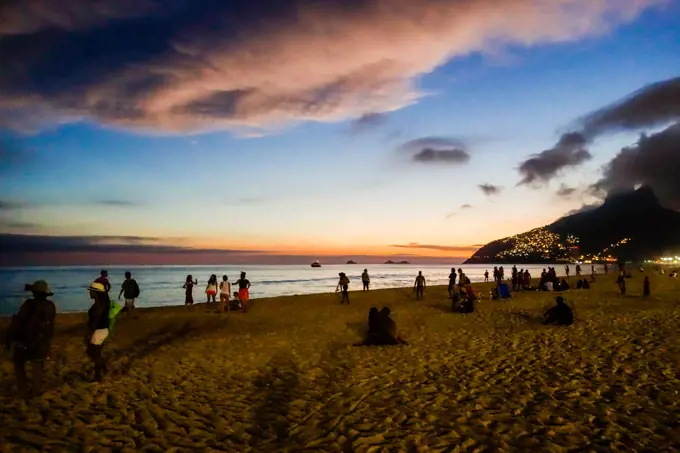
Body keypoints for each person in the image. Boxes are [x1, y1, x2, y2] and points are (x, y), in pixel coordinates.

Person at [4, 281, 56, 399]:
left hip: (24, 340)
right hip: (40, 341)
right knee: (37, 365)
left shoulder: (28, 304)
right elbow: (49, 326)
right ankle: (36, 391)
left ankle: (23, 388)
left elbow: (18, 321)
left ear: (34, 292)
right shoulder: (50, 305)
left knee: (19, 364)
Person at [86, 282, 111, 382]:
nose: (90, 293)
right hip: (103, 330)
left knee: (94, 354)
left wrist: (89, 334)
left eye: (91, 291)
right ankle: (102, 370)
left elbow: (95, 321)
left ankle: (99, 376)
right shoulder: (102, 303)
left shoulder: (98, 305)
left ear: (96, 293)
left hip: (98, 331)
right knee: (95, 353)